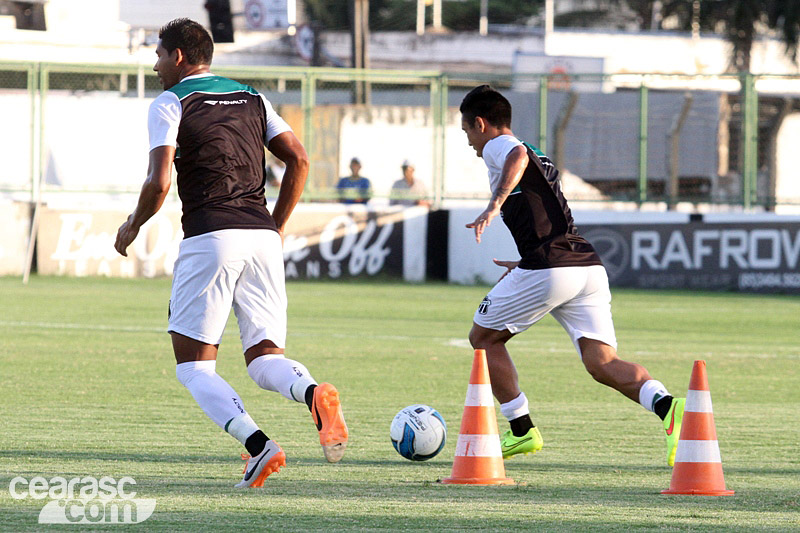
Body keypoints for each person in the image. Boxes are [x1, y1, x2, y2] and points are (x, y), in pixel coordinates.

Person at [113, 18, 348, 488]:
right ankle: (312, 390)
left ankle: (260, 447)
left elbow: (159, 181)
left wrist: (132, 225)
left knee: (195, 368)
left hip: (210, 236)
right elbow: (299, 159)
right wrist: (275, 227)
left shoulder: (170, 101)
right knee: (264, 360)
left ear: (178, 56)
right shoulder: (253, 97)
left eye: (159, 55)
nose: (156, 65)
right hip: (261, 236)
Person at [459, 85, 684, 466]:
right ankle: (668, 406)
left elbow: (513, 155)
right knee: (602, 363)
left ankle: (521, 430)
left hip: (552, 267)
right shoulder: (538, 153)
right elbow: (545, 211)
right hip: (585, 265)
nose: (470, 144)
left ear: (481, 124)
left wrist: (493, 206)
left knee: (482, 338)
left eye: (467, 133)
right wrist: (525, 260)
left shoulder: (503, 145)